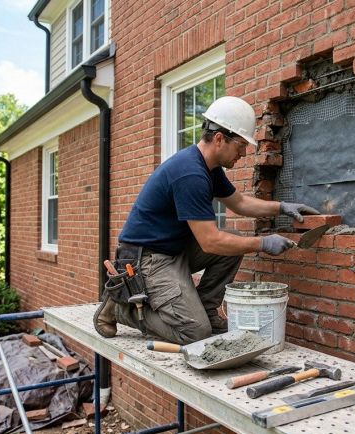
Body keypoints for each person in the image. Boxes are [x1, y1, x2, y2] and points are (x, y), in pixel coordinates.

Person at [93, 96, 319, 345]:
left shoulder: (209, 168)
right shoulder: (190, 173)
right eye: (240, 145)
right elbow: (210, 242)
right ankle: (119, 308)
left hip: (172, 250)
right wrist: (262, 243)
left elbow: (239, 203)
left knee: (232, 247)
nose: (243, 154)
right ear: (220, 138)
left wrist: (282, 207)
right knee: (194, 333)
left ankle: (206, 311)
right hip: (145, 259)